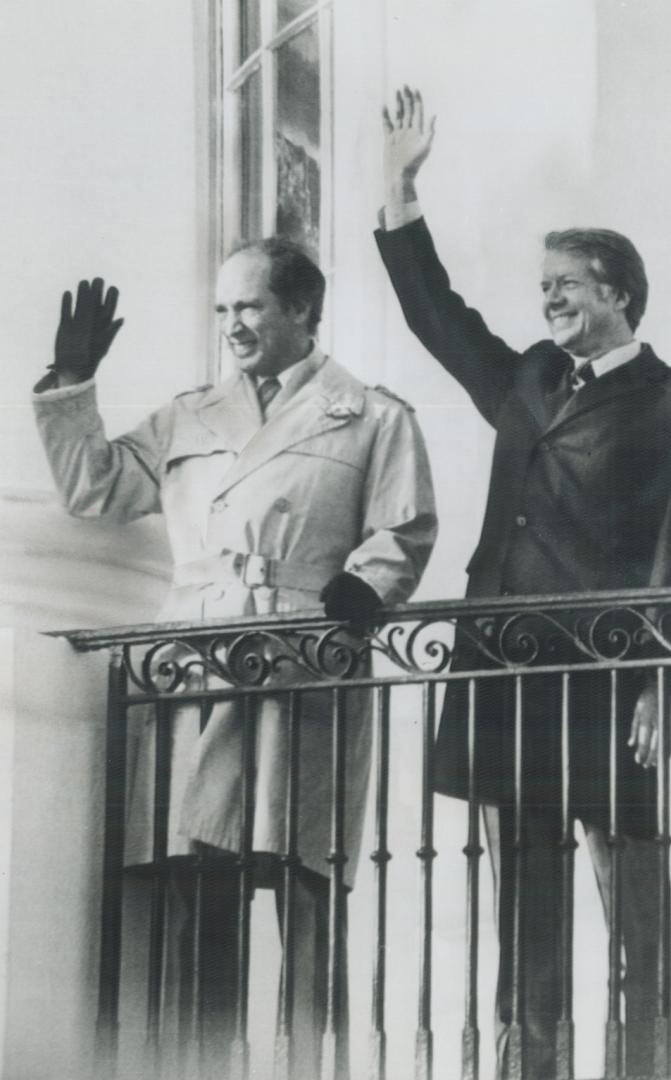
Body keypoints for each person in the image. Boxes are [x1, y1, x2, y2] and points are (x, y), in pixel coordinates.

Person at [374, 87, 671, 1079]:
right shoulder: (529, 379)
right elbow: (437, 317)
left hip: (611, 687)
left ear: (619, 291)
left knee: (636, 919)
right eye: (544, 286)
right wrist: (400, 191)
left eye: (567, 283)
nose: (549, 298)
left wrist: (665, 686)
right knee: (523, 921)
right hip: (503, 677)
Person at [32, 243, 437, 1077]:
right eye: (222, 311)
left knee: (306, 886)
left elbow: (402, 530)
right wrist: (71, 386)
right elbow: (93, 489)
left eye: (249, 308)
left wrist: (367, 584)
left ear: (300, 311)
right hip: (195, 661)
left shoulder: (370, 414)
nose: (233, 327)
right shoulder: (190, 415)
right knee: (198, 882)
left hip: (306, 658)